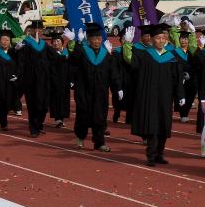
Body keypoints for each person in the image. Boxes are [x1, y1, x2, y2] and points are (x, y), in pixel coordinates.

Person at [123, 24, 184, 166]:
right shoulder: (144, 55)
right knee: (152, 125)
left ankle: (160, 154)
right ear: (151, 39)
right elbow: (131, 64)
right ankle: (150, 155)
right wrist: (127, 44)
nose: (161, 40)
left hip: (165, 97)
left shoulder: (171, 57)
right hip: (149, 96)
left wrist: (180, 95)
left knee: (164, 125)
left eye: (163, 38)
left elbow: (177, 78)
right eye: (158, 38)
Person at [70, 23, 118, 151]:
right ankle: (80, 138)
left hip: (100, 92)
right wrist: (77, 43)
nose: (97, 41)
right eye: (94, 39)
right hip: (84, 91)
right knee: (83, 115)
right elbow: (73, 61)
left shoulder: (106, 54)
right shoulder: (82, 51)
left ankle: (99, 142)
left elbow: (112, 72)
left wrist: (118, 88)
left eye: (99, 39)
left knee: (100, 116)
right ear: (89, 40)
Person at [16, 21, 50, 137]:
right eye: (35, 28)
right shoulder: (25, 44)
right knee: (33, 105)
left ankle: (39, 124)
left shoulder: (44, 45)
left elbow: (55, 58)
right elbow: (20, 62)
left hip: (44, 80)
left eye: (40, 29)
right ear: (30, 30)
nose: (37, 31)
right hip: (30, 80)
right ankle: (33, 129)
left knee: (44, 106)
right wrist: (16, 50)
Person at [43, 28, 72, 127]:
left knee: (64, 100)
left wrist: (72, 80)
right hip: (54, 81)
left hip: (65, 81)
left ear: (62, 42)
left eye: (58, 41)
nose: (55, 43)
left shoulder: (67, 52)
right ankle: (57, 119)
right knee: (55, 100)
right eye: (54, 41)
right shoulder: (50, 54)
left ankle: (61, 118)